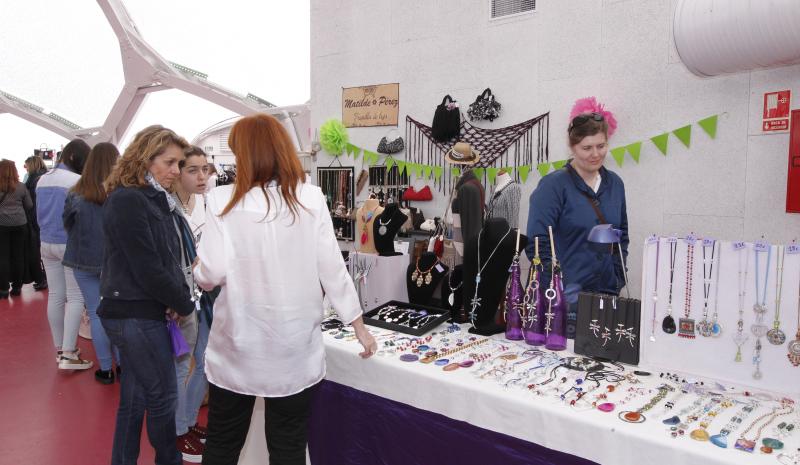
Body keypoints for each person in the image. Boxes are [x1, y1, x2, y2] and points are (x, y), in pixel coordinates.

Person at [194, 113, 377, 465]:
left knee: (222, 443)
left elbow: (212, 272)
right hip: (293, 349)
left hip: (238, 346)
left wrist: (198, 272)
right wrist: (358, 325)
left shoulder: (221, 200)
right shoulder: (310, 198)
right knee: (288, 446)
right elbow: (332, 268)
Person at [98, 125, 196, 465]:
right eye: (169, 162)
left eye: (178, 163)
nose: (175, 171)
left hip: (139, 310)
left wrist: (172, 298)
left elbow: (163, 259)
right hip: (132, 313)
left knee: (135, 400)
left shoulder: (148, 198)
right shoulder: (129, 199)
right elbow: (148, 266)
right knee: (163, 397)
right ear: (145, 158)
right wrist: (183, 303)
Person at [525, 107, 629, 339]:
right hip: (566, 300)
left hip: (605, 295)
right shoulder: (554, 186)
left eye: (601, 146)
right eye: (587, 148)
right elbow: (537, 244)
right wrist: (556, 287)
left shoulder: (615, 184)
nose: (595, 154)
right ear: (572, 147)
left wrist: (618, 277)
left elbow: (621, 236)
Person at [63, 142, 121, 384]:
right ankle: (123, 366)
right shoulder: (121, 191)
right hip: (115, 263)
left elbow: (67, 223)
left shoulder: (76, 192)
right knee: (118, 314)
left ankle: (105, 369)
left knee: (97, 315)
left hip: (83, 261)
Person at [36, 139, 92, 369]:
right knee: (76, 297)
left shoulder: (42, 179)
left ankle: (61, 348)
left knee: (56, 295)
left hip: (46, 243)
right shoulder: (76, 181)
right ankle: (69, 354)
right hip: (69, 244)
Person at [171, 145, 211, 461]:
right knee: (182, 364)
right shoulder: (169, 207)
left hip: (206, 293)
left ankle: (187, 420)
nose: (202, 176)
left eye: (205, 169)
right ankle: (177, 431)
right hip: (181, 297)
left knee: (205, 362)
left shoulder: (206, 203)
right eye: (193, 170)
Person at [0, 160, 34, 298]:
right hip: (20, 225)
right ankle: (17, 287)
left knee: (2, 257)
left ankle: (2, 289)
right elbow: (30, 205)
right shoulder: (21, 187)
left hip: (1, 225)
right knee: (18, 256)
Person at [23, 155, 48, 290]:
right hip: (46, 217)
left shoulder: (33, 179)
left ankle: (43, 278)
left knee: (38, 249)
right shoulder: (46, 175)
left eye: (26, 165)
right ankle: (46, 277)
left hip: (35, 218)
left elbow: (30, 202)